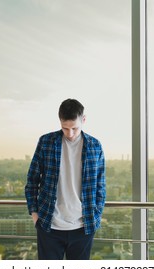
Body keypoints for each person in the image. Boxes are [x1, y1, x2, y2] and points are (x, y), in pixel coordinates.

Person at [25, 98, 106, 260]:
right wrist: (35, 214)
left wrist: (96, 216)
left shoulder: (95, 146)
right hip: (49, 226)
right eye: (65, 128)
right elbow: (32, 180)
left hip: (83, 227)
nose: (69, 134)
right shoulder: (46, 142)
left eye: (74, 128)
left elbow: (100, 186)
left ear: (83, 120)